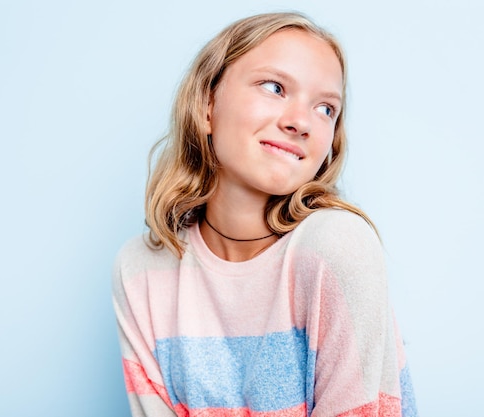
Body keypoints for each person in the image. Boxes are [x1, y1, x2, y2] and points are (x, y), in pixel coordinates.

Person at [113, 11, 418, 417]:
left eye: (326, 109)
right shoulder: (140, 271)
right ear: (207, 105)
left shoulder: (336, 248)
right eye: (274, 87)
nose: (301, 122)